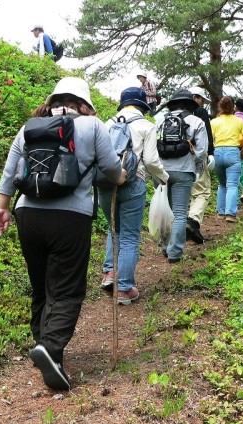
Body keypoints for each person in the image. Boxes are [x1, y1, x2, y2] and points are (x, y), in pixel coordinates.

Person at [0, 77, 126, 391]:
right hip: (70, 216)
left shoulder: (31, 126)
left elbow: (10, 171)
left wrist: (2, 208)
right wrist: (123, 176)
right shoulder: (93, 127)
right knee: (66, 288)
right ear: (84, 102)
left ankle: (44, 344)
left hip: (28, 214)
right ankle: (50, 349)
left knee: (42, 286)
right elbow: (110, 168)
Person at [98, 87, 168, 305]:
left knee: (114, 229)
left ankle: (110, 274)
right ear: (141, 106)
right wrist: (164, 178)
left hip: (106, 183)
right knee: (129, 235)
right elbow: (151, 161)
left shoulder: (105, 124)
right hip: (133, 182)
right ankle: (125, 288)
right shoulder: (147, 126)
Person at [155, 89, 207, 263]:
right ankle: (175, 252)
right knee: (179, 213)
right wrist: (195, 165)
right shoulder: (196, 121)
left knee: (165, 211)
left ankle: (164, 246)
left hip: (161, 171)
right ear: (190, 104)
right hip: (183, 170)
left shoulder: (159, 119)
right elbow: (201, 152)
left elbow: (151, 147)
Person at [210, 96, 243, 223]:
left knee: (222, 184)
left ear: (220, 107)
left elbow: (210, 139)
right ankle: (230, 214)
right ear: (233, 107)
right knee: (232, 185)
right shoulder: (239, 121)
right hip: (233, 152)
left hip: (217, 152)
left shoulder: (214, 122)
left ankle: (221, 212)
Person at [186, 86, 215, 244]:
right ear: (197, 97)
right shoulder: (200, 112)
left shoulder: (175, 112)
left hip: (176, 158)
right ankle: (193, 221)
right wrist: (210, 153)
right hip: (197, 155)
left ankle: (180, 227)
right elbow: (207, 135)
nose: (202, 103)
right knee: (202, 191)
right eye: (202, 100)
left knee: (186, 192)